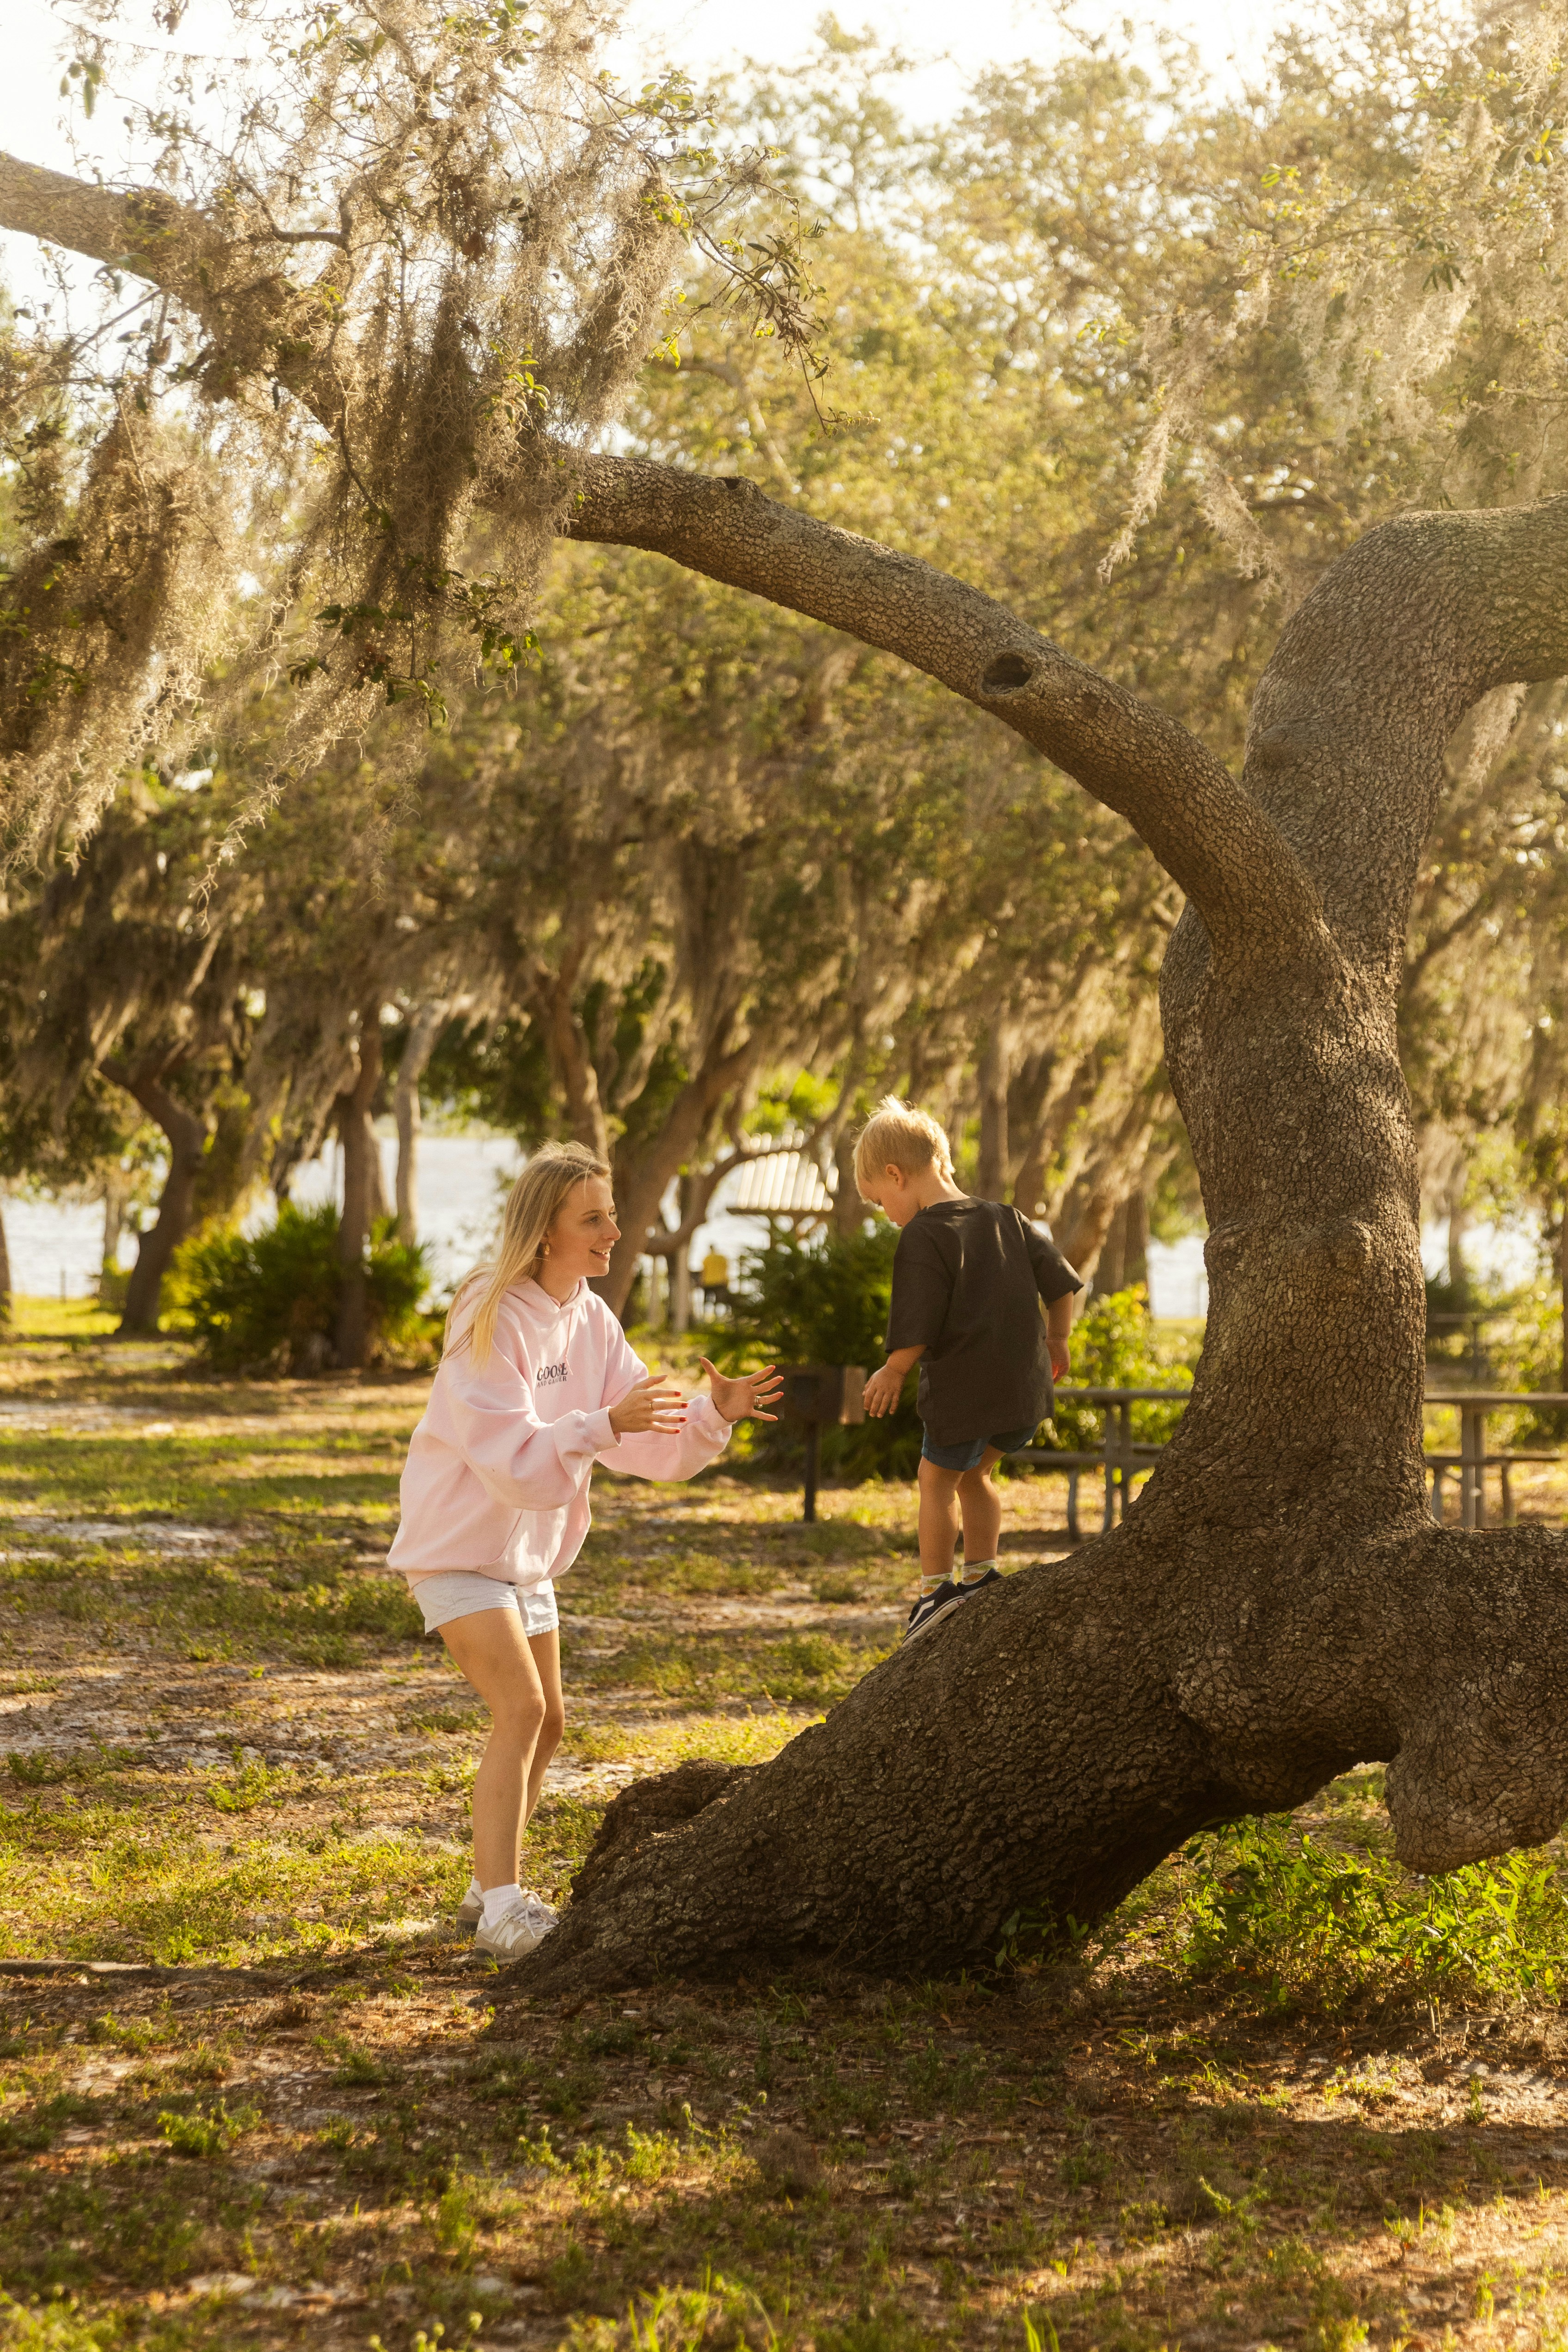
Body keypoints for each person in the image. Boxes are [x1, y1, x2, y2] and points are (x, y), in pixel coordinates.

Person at [388, 1140, 782, 1958]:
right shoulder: (488, 1311)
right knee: (521, 1709)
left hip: (526, 1556)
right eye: (593, 1217)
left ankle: (480, 1885)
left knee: (552, 1720)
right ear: (544, 1232)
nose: (613, 1228)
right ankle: (503, 1907)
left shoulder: (592, 1317)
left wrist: (716, 1415)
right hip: (459, 1544)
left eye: (610, 1212)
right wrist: (602, 1425)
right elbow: (509, 1457)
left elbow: (646, 1433)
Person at [855, 1097, 1081, 1643]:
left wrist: (892, 1369)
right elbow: (1062, 1284)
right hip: (1021, 1389)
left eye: (879, 1201)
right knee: (977, 1474)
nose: (885, 1214)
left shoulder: (924, 1234)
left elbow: (918, 1317)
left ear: (896, 1174)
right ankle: (979, 1576)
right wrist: (1057, 1339)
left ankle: (935, 1591)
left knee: (935, 1479)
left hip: (963, 1389)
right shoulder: (1007, 1218)